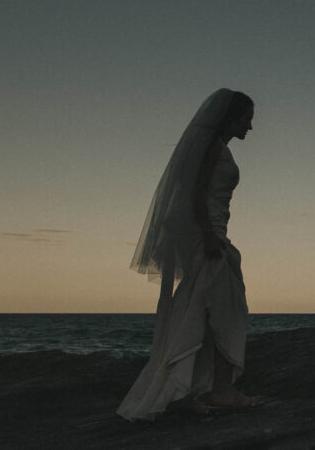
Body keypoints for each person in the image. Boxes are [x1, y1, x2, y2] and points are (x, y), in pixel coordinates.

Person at [118, 89, 261, 420]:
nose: (250, 127)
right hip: (208, 237)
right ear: (231, 117)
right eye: (247, 119)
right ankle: (218, 391)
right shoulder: (212, 148)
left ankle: (189, 390)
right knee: (224, 309)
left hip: (213, 234)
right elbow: (195, 193)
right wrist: (209, 236)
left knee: (204, 309)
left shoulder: (216, 148)